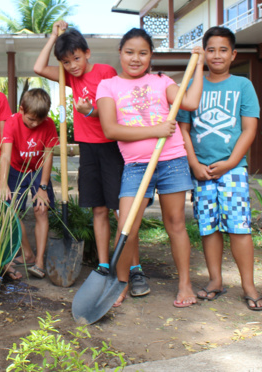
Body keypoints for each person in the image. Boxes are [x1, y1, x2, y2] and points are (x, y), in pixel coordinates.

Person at [33, 21, 151, 296]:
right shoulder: (68, 76)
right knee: (98, 209)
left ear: (87, 53)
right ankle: (103, 265)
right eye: (66, 61)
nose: (73, 65)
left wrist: (91, 111)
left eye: (76, 58)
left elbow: (114, 108)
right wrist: (53, 37)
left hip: (112, 146)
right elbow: (39, 67)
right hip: (87, 148)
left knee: (123, 212)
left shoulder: (105, 72)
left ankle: (134, 269)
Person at [96, 28, 205, 308]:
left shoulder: (161, 80)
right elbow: (110, 129)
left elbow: (190, 102)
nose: (136, 58)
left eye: (143, 53)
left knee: (176, 224)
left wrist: (199, 64)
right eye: (130, 52)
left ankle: (185, 284)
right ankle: (120, 285)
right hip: (136, 166)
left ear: (150, 56)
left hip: (172, 160)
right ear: (120, 53)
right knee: (126, 226)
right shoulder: (108, 86)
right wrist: (155, 129)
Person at [177, 26, 262, 311]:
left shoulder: (242, 86)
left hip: (233, 169)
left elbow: (249, 129)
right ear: (203, 53)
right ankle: (215, 281)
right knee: (208, 227)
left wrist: (230, 162)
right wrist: (194, 164)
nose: (216, 55)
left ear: (233, 54)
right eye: (210, 49)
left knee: (239, 228)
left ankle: (249, 286)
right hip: (202, 171)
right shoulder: (192, 85)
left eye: (223, 49)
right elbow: (184, 129)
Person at [0, 89, 58, 279]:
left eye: (39, 120)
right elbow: (5, 155)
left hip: (38, 169)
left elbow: (48, 157)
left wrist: (43, 188)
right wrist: (2, 183)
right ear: (21, 109)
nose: (35, 124)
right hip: (17, 169)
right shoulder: (12, 122)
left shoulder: (48, 125)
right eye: (31, 119)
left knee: (41, 209)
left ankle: (39, 262)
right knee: (12, 212)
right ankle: (28, 253)